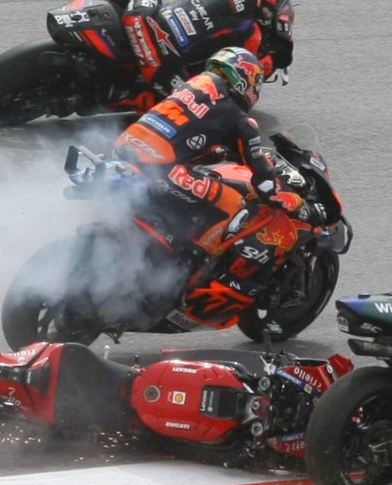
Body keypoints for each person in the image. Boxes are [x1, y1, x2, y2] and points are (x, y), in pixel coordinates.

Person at [111, 46, 332, 330]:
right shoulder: (240, 119)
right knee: (234, 204)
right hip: (159, 168)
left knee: (201, 185)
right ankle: (198, 262)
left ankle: (166, 247)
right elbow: (266, 183)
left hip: (124, 150)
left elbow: (187, 132)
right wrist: (297, 204)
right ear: (246, 82)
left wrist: (217, 153)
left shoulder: (194, 86)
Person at [108, 0, 294, 99]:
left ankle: (108, 12)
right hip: (162, 67)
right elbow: (239, 72)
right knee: (194, 102)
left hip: (140, 21)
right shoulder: (251, 32)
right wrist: (273, 58)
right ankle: (120, 101)